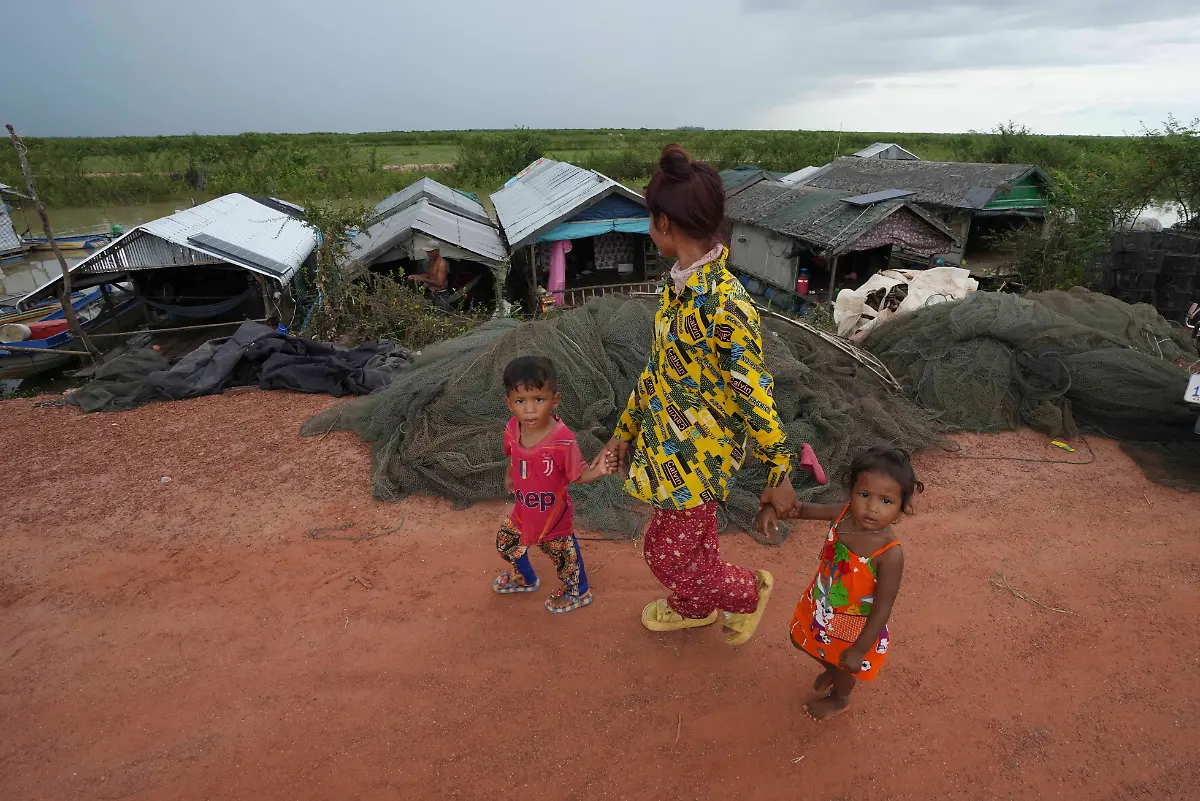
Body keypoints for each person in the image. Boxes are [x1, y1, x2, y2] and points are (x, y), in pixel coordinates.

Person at [600, 144, 799, 644]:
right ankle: (693, 606)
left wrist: (779, 469)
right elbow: (658, 369)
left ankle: (747, 593)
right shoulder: (680, 289)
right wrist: (625, 430)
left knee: (664, 553)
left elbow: (753, 390)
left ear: (664, 224)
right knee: (695, 544)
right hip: (669, 444)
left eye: (650, 220)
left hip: (701, 455)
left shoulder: (726, 303)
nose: (650, 229)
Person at [756, 446, 920, 721]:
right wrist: (772, 509)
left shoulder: (890, 554)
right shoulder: (843, 515)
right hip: (821, 603)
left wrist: (859, 649)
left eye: (886, 501)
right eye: (864, 495)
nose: (871, 507)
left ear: (901, 508)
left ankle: (840, 697)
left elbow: (882, 609)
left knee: (846, 668)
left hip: (857, 628)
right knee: (800, 640)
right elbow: (802, 509)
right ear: (851, 491)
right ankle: (831, 670)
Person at [495, 355, 614, 613]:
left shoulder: (563, 440)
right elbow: (513, 454)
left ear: (554, 400)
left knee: (564, 559)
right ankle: (525, 578)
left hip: (553, 517)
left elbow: (578, 475)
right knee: (506, 544)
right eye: (520, 401)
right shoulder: (512, 428)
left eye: (538, 399)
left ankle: (578, 592)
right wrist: (510, 475)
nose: (529, 409)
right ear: (509, 404)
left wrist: (599, 470)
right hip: (523, 512)